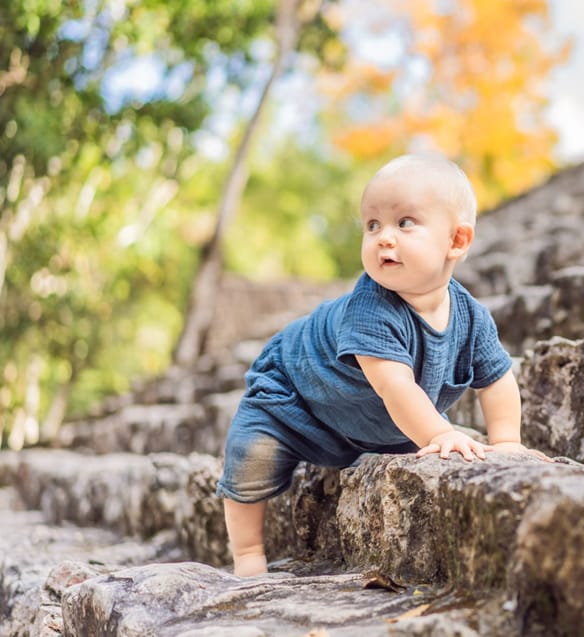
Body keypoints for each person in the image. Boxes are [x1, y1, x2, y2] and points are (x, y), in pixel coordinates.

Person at [215, 153, 549, 577]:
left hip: (368, 416)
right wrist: (440, 431)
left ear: (457, 241)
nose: (382, 238)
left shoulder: (472, 317)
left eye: (404, 222)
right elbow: (395, 387)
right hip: (293, 393)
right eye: (372, 225)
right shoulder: (370, 308)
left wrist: (507, 442)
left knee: (443, 439)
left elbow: (497, 380)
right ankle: (247, 556)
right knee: (250, 456)